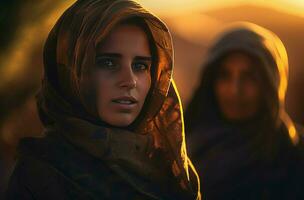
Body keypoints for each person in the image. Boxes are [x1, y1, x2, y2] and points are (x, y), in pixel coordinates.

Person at [6, 0, 201, 199]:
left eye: (141, 66)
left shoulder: (165, 168)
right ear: (72, 73)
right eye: (108, 62)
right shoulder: (40, 175)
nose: (130, 81)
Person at [185, 22, 304, 200]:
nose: (235, 90)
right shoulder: (181, 148)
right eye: (225, 75)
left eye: (249, 77)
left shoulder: (293, 158)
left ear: (270, 86)